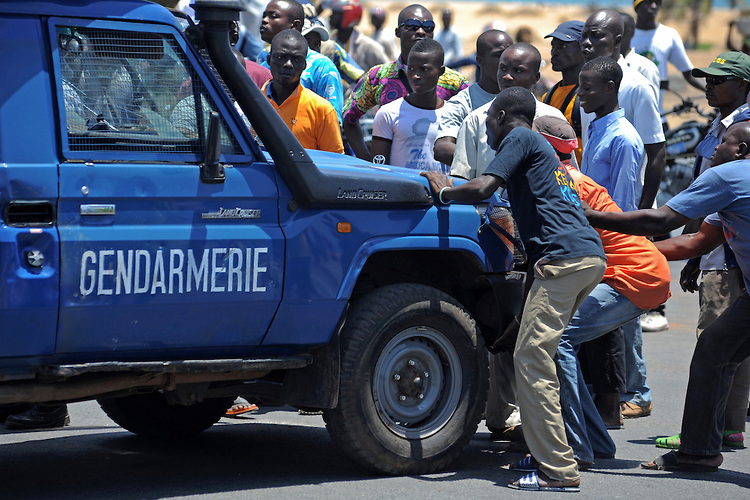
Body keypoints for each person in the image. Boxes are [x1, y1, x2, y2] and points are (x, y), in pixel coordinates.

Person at [423, 86, 606, 492]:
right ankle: (550, 450)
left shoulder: (520, 136)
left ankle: (558, 470)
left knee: (531, 358)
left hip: (566, 260)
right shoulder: (536, 145)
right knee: (540, 354)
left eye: (488, 120)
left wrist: (444, 190)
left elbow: (483, 187)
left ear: (503, 115)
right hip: (578, 257)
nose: (486, 129)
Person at [584, 120, 750, 472]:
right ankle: (699, 450)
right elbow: (696, 241)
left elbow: (662, 220)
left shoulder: (730, 174)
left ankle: (699, 449)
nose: (712, 148)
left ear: (741, 150)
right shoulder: (736, 187)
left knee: (715, 352)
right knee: (714, 350)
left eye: (721, 141)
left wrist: (592, 217)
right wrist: (632, 254)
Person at [655, 51, 750, 451]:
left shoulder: (742, 130)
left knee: (717, 345)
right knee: (721, 348)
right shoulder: (721, 126)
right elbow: (701, 225)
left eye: (718, 80)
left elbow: (671, 216)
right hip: (716, 246)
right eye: (706, 79)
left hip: (729, 260)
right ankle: (710, 436)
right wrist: (692, 258)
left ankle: (713, 431)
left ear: (744, 84)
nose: (709, 85)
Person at [580, 9, 664, 417]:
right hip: (595, 230)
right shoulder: (597, 121)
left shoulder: (625, 131)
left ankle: (637, 391)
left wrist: (615, 232)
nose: (581, 96)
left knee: (622, 314)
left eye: (596, 36)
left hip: (613, 233)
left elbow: (626, 195)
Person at [342, 4, 469, 161]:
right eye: (412, 26)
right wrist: (367, 161)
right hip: (393, 179)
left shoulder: (453, 81)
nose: (421, 31)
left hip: (442, 181)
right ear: (397, 32)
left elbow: (476, 122)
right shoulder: (379, 77)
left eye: (428, 27)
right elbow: (348, 117)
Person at [451, 43, 566, 180]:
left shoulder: (553, 119)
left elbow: (568, 177)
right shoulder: (476, 120)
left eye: (518, 71)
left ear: (536, 77)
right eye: (503, 69)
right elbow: (461, 178)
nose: (507, 76)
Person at [433, 29, 513, 166]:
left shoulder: (525, 99)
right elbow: (442, 148)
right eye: (499, 55)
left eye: (509, 54)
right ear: (479, 61)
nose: (506, 61)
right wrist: (493, 164)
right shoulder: (462, 103)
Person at [257, 0, 344, 124]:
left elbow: (332, 122)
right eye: (264, 16)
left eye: (273, 16)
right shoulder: (263, 57)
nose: (264, 20)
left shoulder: (322, 66)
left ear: (295, 25)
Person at [370, 39, 447, 172]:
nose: (415, 76)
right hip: (401, 192)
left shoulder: (453, 114)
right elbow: (379, 171)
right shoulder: (388, 114)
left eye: (424, 69)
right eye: (411, 69)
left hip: (443, 192)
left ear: (441, 71)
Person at [262, 29, 344, 153]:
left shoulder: (321, 110)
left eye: (296, 59)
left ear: (304, 66)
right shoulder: (252, 101)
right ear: (269, 60)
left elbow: (335, 162)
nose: (288, 64)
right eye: (280, 57)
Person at [631, 0, 706, 119]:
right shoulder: (626, 35)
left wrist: (711, 90)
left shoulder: (669, 35)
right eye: (649, 2)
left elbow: (688, 72)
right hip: (629, 116)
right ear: (637, 6)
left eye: (657, 2)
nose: (654, 6)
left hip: (658, 117)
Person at [543, 20, 585, 166]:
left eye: (563, 46)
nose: (554, 52)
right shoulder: (548, 96)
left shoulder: (588, 98)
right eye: (553, 46)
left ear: (584, 48)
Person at [328, 0, 388, 72]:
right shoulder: (329, 42)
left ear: (349, 16)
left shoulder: (369, 47)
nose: (331, 16)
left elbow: (388, 73)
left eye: (336, 14)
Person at [619, 12, 660, 93]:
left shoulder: (646, 68)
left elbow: (649, 103)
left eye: (620, 30)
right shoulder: (604, 63)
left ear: (632, 32)